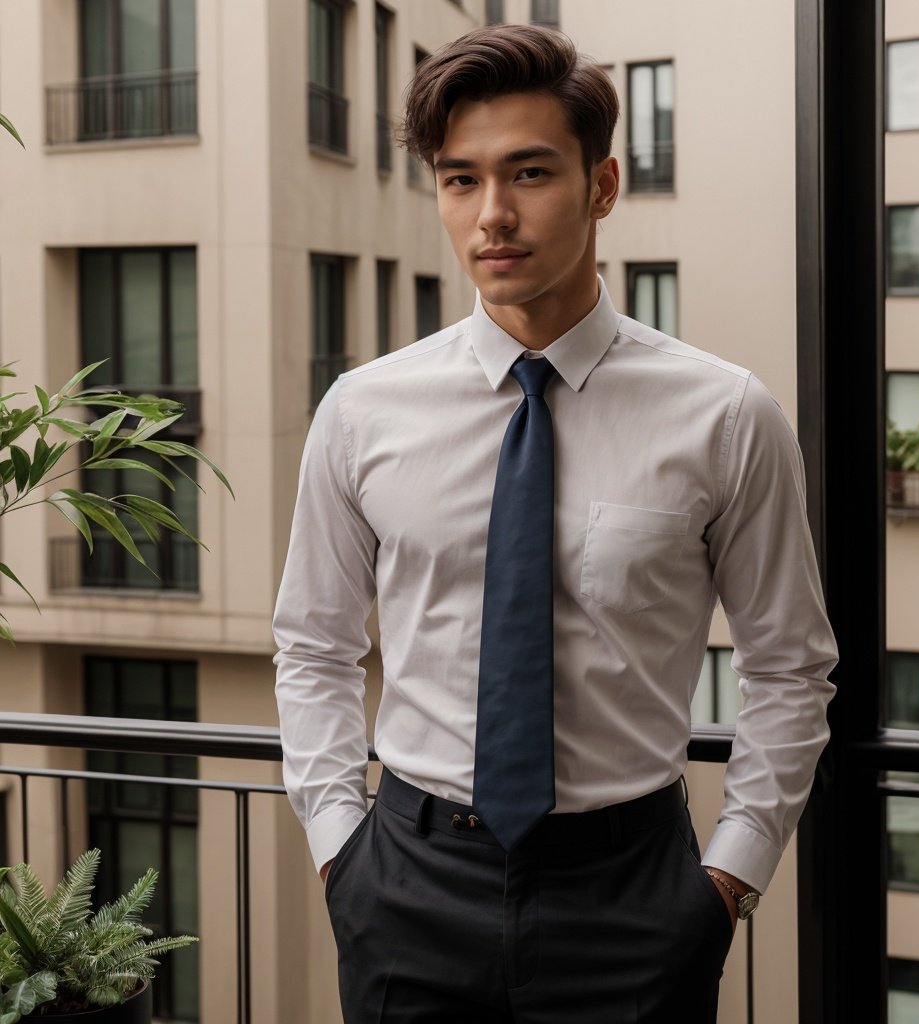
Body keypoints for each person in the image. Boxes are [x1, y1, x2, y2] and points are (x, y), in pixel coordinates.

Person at [274, 23, 838, 1024]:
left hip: (634, 896)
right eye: (460, 180)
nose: (492, 215)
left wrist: (727, 879)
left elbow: (789, 666)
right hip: (405, 882)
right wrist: (337, 849)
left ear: (602, 184)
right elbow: (313, 645)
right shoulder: (362, 410)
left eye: (528, 172)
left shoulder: (724, 413)